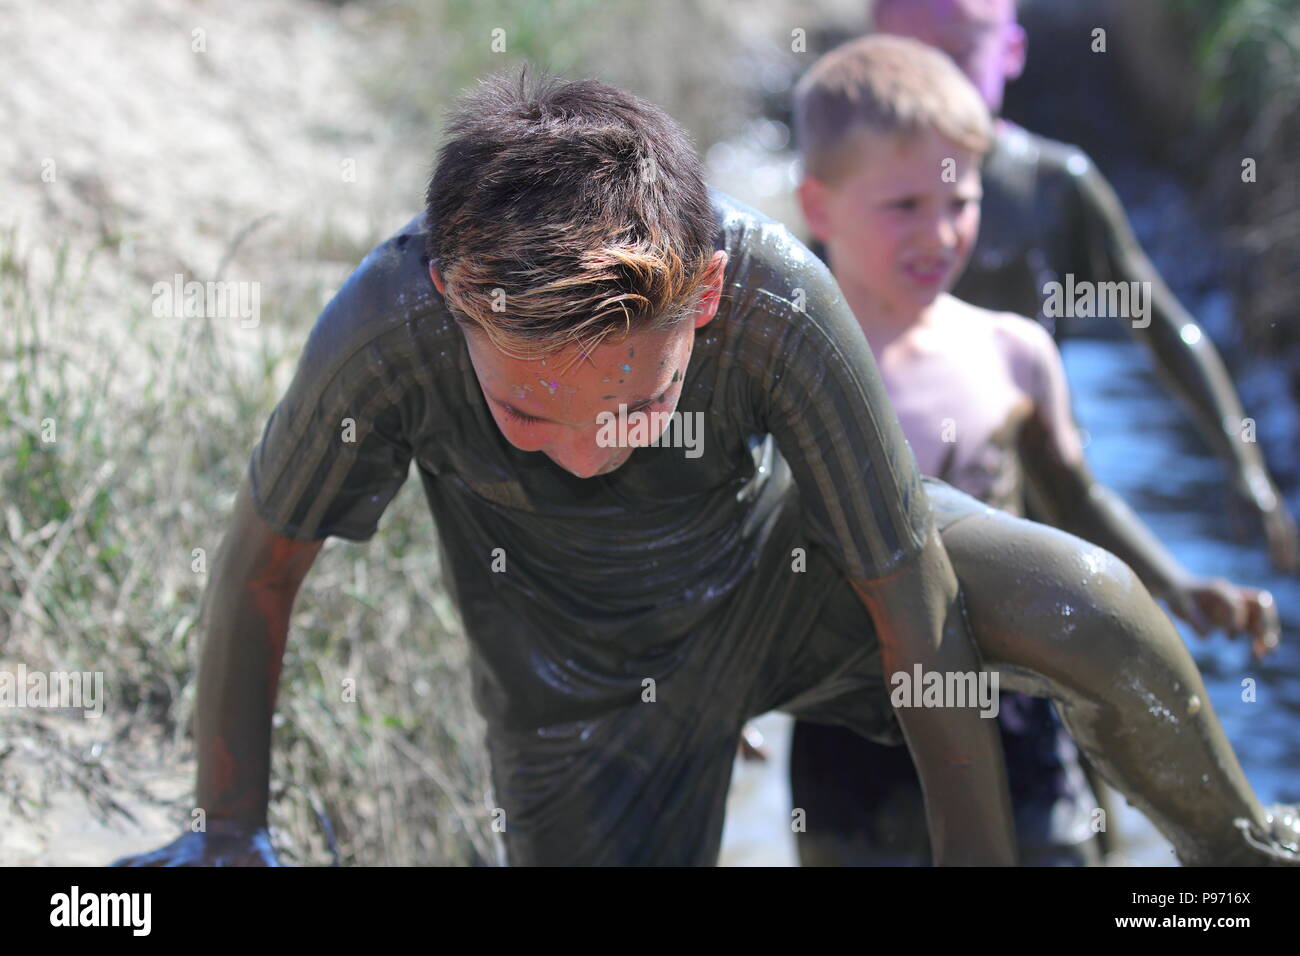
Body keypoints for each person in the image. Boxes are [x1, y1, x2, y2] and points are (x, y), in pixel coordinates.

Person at [112, 72, 1299, 867]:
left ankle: (1239, 857)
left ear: (709, 296)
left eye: (637, 401)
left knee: (1084, 599)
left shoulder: (778, 295)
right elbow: (262, 567)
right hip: (567, 676)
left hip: (787, 579)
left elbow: (912, 598)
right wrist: (228, 832)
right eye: (529, 409)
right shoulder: (387, 328)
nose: (584, 444)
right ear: (450, 296)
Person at [786, 32, 1280, 866]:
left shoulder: (1013, 350)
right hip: (848, 725)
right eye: (905, 206)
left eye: (961, 202)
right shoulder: (789, 371)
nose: (941, 233)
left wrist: (1175, 584)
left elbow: (1075, 504)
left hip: (1011, 699)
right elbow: (735, 546)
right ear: (819, 205)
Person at [863, 0, 1297, 573]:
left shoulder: (1053, 187)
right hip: (893, 487)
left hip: (1039, 483)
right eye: (911, 60)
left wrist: (1244, 466)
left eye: (959, 53)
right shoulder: (849, 191)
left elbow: (1157, 323)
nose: (935, 81)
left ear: (1011, 52)